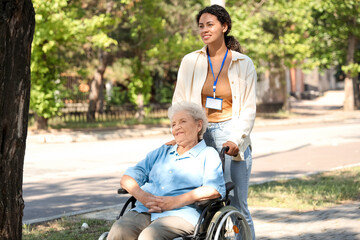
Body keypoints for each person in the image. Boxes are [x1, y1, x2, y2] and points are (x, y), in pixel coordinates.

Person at [172, 4, 257, 239]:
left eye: (210, 24)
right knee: (204, 201)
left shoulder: (243, 63)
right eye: (201, 26)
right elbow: (179, 102)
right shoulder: (190, 61)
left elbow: (248, 109)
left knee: (238, 203)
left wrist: (236, 140)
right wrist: (180, 133)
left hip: (232, 130)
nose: (204, 30)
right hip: (201, 132)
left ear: (224, 26)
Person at [107, 102, 226, 240]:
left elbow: (213, 189)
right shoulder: (162, 152)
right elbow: (126, 179)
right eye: (173, 124)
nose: (177, 127)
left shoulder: (208, 154)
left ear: (198, 125)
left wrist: (174, 201)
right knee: (119, 230)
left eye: (183, 121)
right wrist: (143, 197)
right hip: (145, 209)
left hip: (181, 214)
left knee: (149, 237)